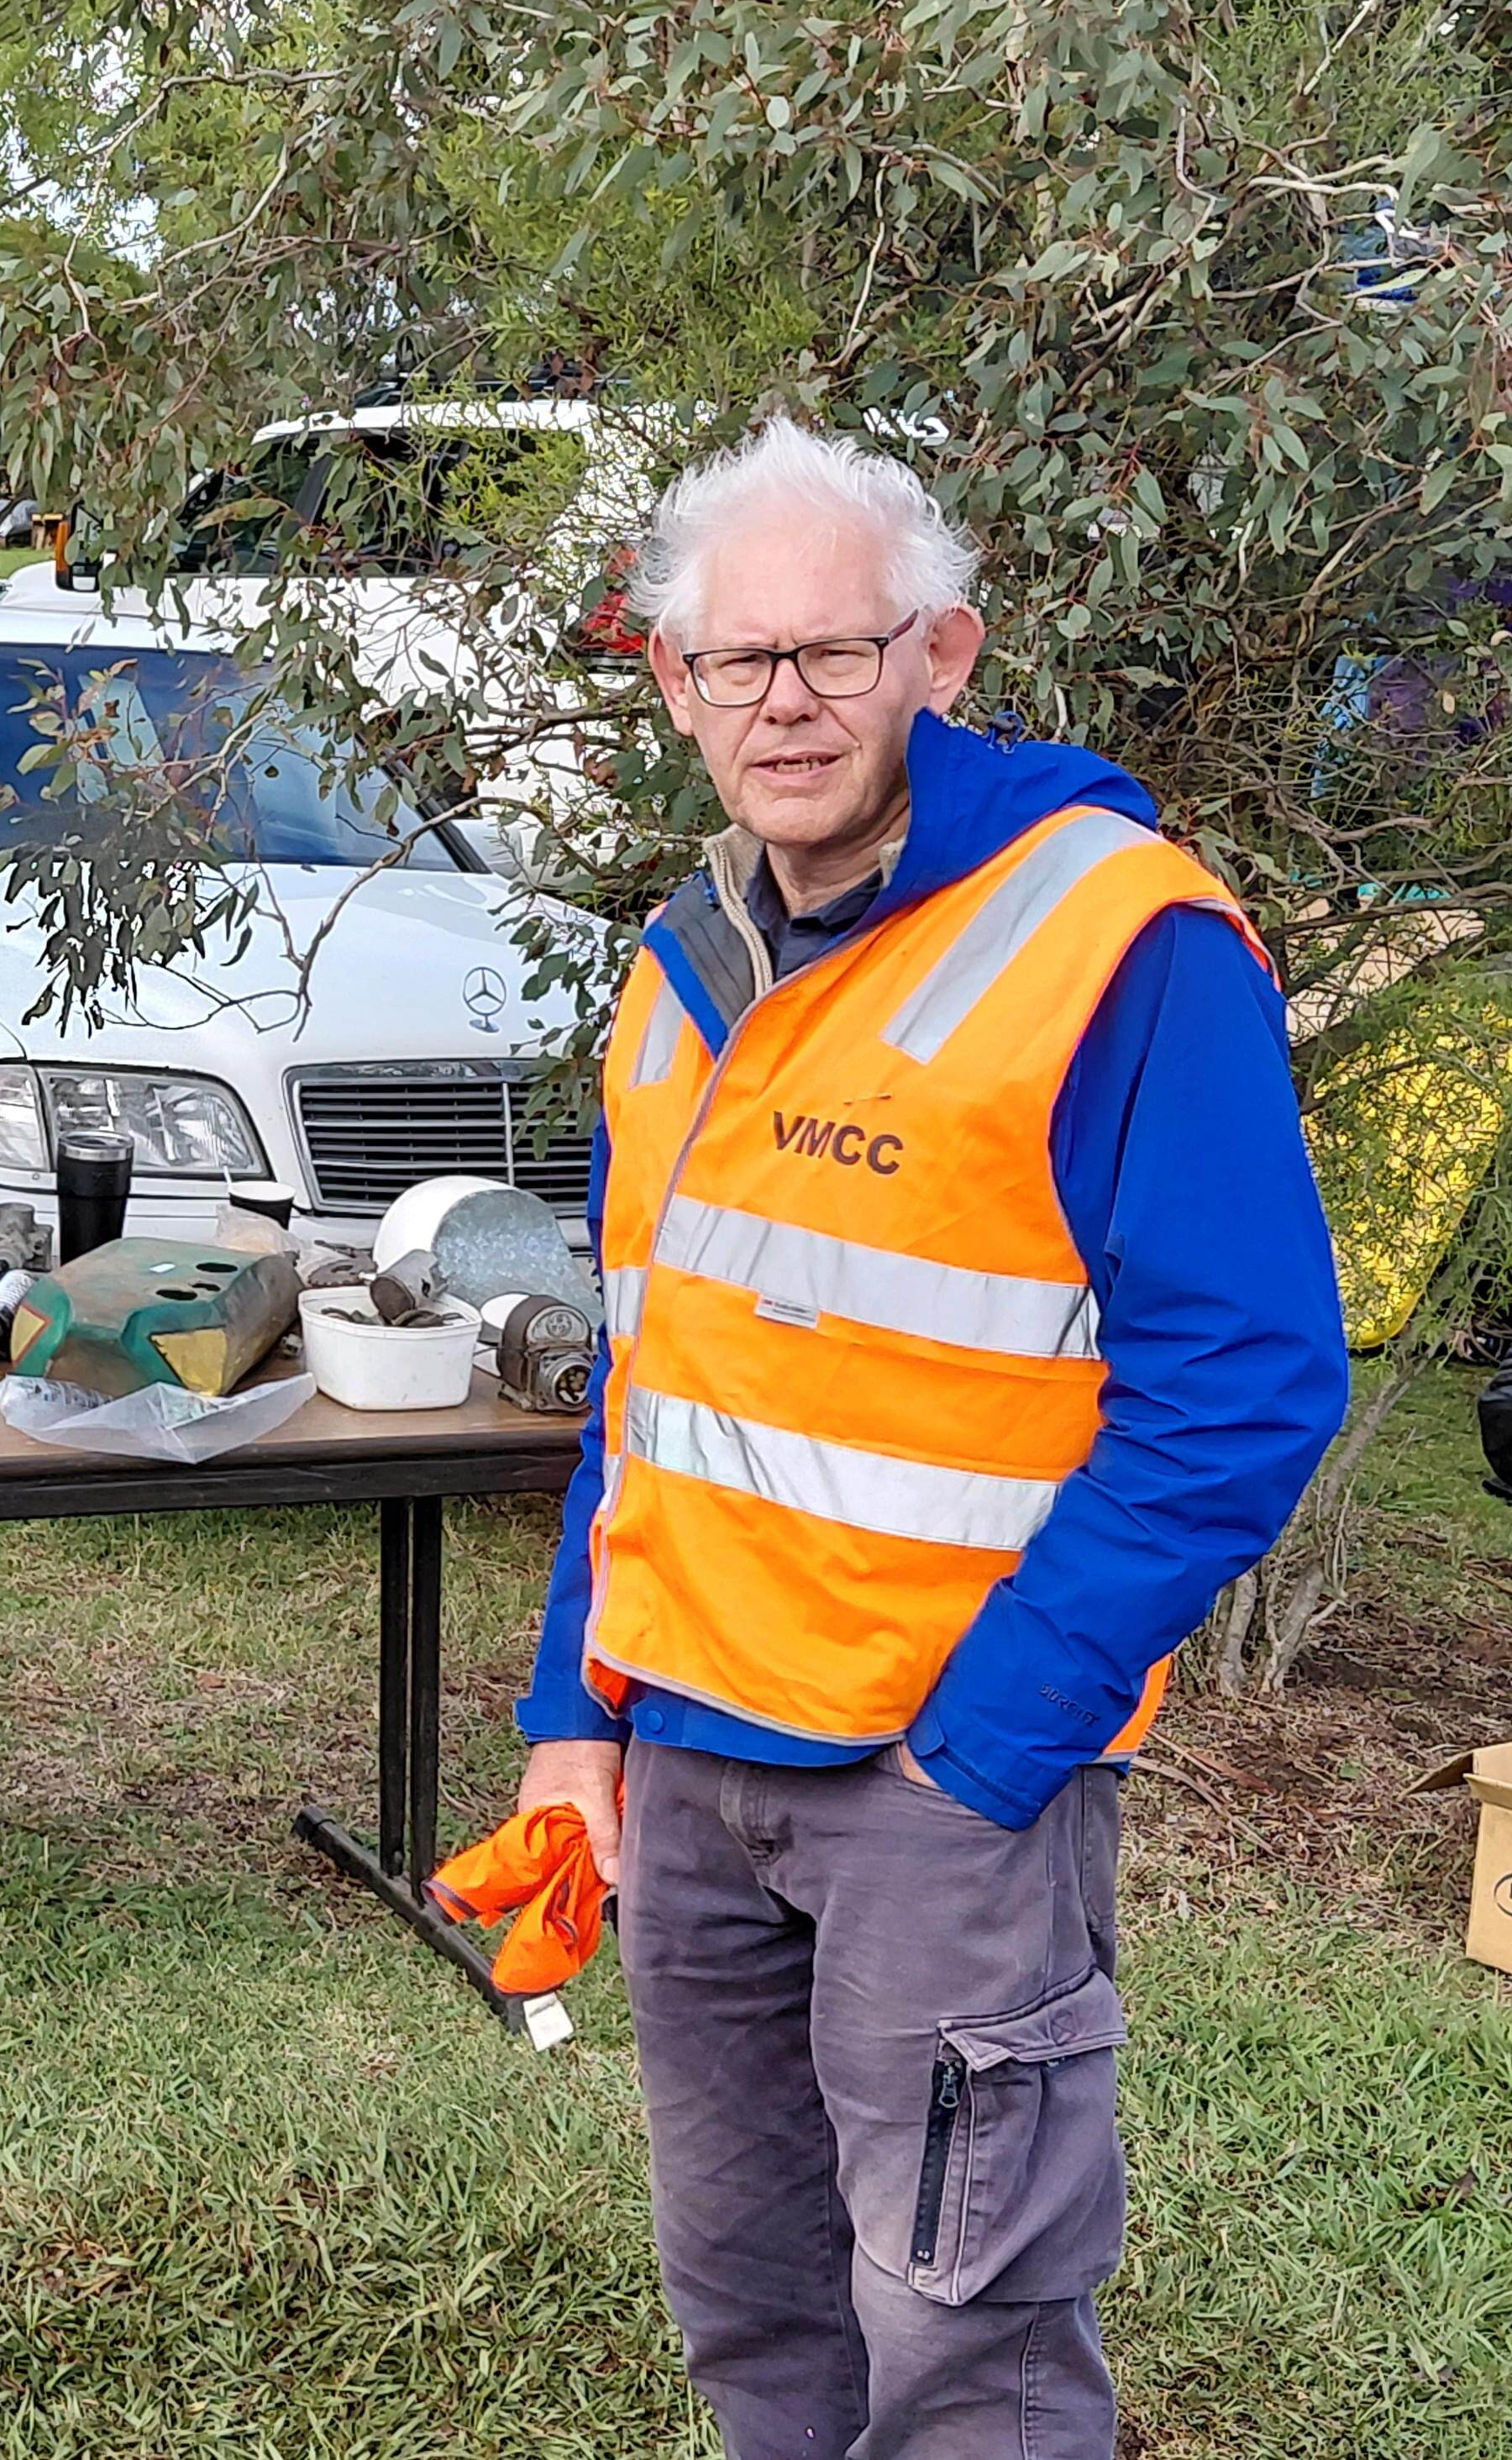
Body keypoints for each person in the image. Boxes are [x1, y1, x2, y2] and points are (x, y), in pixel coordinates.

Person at [512, 418, 1347, 2458]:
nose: (786, 703)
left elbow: (1247, 1384)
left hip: (942, 1785)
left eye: (835, 651)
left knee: (967, 2345)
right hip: (689, 1765)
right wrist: (571, 1717)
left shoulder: (1119, 939)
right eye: (740, 660)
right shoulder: (684, 965)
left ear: (942, 656)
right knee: (752, 2307)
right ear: (674, 682)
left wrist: (991, 1739)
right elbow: (653, 1379)